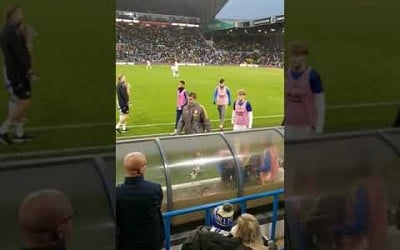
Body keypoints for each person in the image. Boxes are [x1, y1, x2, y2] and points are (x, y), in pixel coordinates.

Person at [0, 5, 34, 144]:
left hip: (15, 72)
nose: (22, 15)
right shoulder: (12, 33)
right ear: (13, 15)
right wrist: (29, 38)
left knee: (17, 101)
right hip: (17, 74)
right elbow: (24, 56)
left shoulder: (10, 30)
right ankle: (3, 130)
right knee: (25, 102)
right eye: (20, 13)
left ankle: (19, 134)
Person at [116, 152, 164, 250]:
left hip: (127, 244)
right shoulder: (154, 188)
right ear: (141, 169)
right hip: (151, 244)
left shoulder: (117, 193)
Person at [284, 41, 325, 139]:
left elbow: (320, 103)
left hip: (307, 126)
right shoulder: (287, 74)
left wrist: (319, 127)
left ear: (304, 57)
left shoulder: (313, 75)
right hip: (289, 124)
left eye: (298, 56)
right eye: (293, 56)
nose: (294, 59)